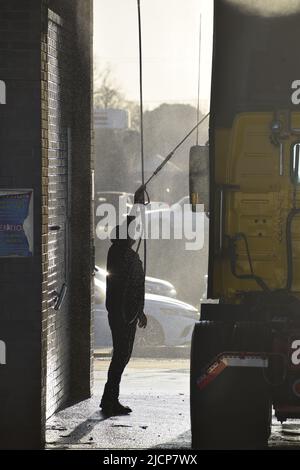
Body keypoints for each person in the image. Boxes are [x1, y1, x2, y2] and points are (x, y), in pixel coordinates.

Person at [100, 191, 147, 416]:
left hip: (129, 312)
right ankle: (110, 400)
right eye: (130, 235)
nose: (134, 237)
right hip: (121, 314)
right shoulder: (118, 253)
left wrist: (141, 310)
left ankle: (109, 398)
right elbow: (129, 286)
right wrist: (137, 206)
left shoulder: (126, 254)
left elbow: (137, 286)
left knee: (123, 355)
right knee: (121, 355)